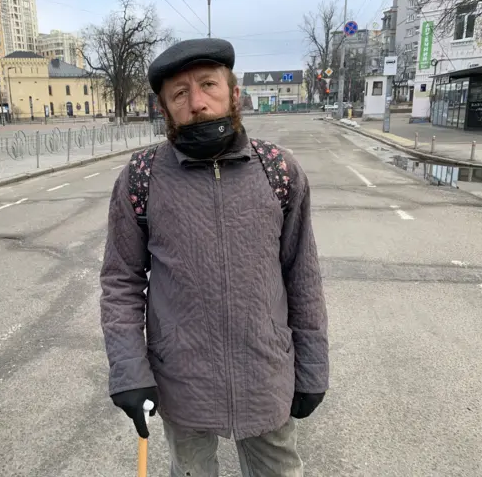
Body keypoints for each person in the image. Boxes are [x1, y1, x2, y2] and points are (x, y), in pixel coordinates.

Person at [100, 38, 329, 476]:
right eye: (180, 94)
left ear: (233, 93)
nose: (198, 103)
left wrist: (313, 367)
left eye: (208, 85)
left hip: (265, 372)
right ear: (165, 109)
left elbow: (303, 276)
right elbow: (121, 281)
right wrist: (130, 372)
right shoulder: (142, 178)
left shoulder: (278, 171)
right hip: (181, 381)